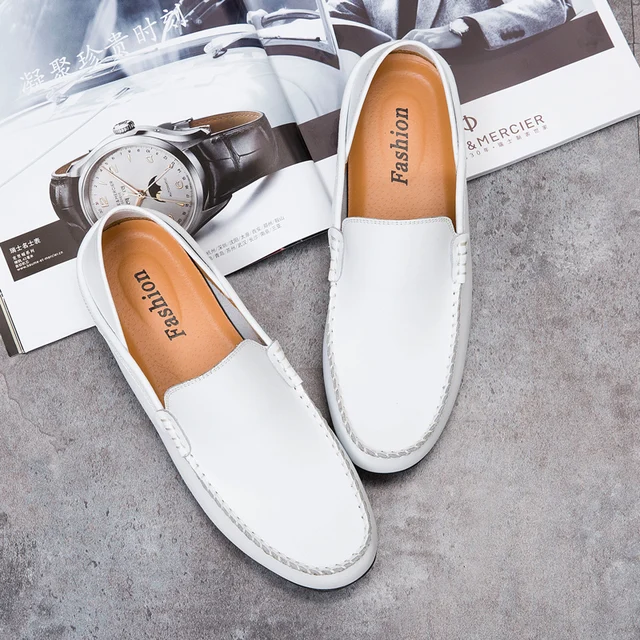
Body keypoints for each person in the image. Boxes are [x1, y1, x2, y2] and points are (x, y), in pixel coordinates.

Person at [326, 0, 574, 51]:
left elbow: (552, 5)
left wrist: (462, 29)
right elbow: (335, 21)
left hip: (481, 93)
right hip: (396, 110)